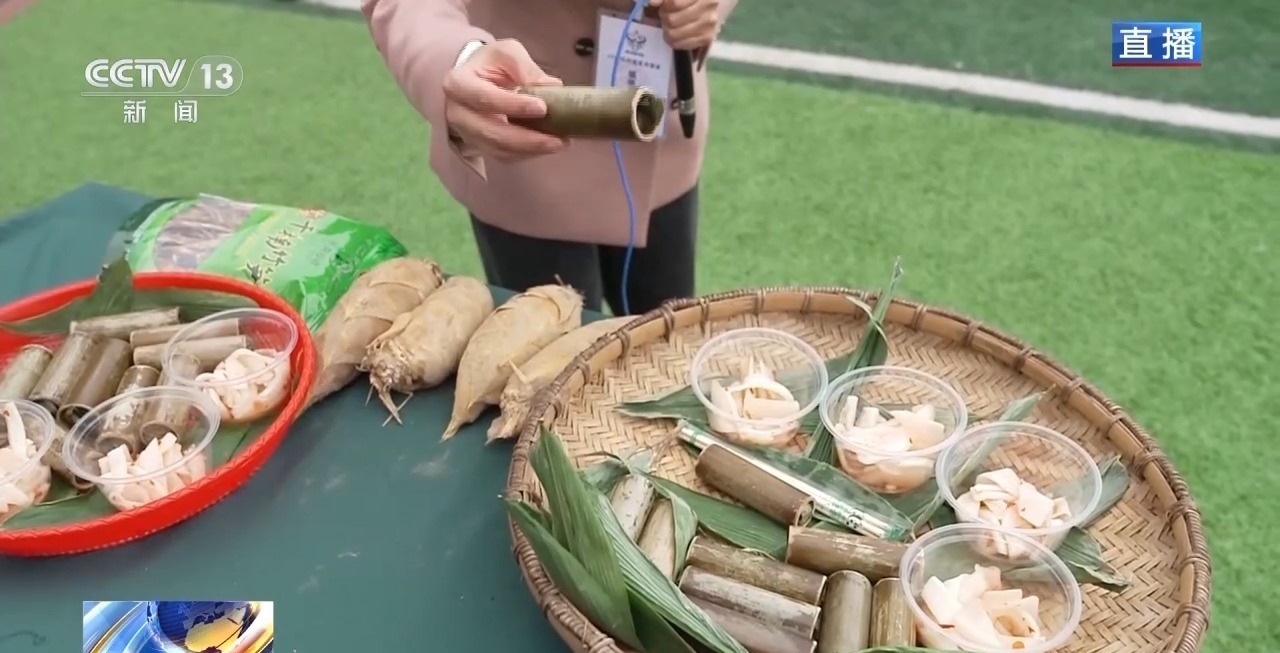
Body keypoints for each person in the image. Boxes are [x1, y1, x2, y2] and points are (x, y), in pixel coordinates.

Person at [362, 0, 738, 315]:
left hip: (664, 134)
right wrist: (456, 59)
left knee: (670, 341)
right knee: (550, 361)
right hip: (521, 135)